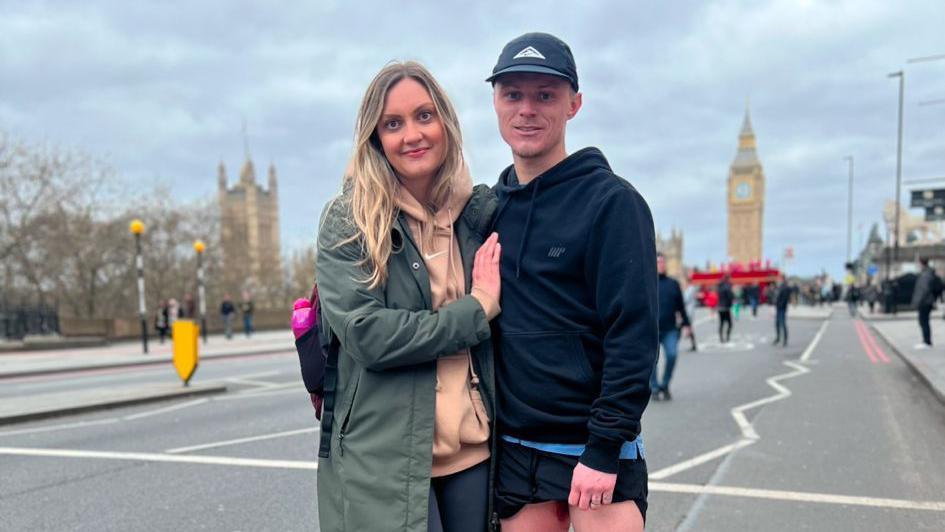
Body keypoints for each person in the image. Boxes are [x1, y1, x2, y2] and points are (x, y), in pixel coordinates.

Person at [315, 61, 501, 532]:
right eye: (393, 124)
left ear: (445, 122)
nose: (412, 134)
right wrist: (476, 308)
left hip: (472, 452)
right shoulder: (349, 220)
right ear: (375, 137)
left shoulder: (477, 215)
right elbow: (368, 335)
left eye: (424, 115)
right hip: (385, 460)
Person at [486, 33, 656, 532]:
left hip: (595, 448)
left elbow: (634, 337)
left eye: (545, 95)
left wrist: (604, 449)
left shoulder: (613, 204)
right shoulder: (489, 210)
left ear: (574, 104)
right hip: (517, 450)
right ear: (495, 102)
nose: (527, 110)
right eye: (513, 94)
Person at [650, 253, 691, 400]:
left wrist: (687, 325)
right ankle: (654, 387)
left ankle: (665, 385)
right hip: (651, 331)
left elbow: (681, 306)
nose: (661, 264)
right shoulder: (647, 283)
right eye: (658, 262)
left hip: (670, 329)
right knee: (651, 361)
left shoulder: (673, 284)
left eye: (662, 262)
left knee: (672, 355)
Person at [911, 257, 941, 349]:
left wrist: (917, 301)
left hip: (925, 301)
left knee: (924, 321)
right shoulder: (928, 273)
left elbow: (923, 290)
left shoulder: (925, 274)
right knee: (924, 321)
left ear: (921, 263)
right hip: (927, 301)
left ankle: (927, 342)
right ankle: (926, 341)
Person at [773, 275, 791, 347]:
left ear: (782, 279)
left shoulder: (785, 287)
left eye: (779, 279)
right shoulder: (779, 287)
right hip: (778, 308)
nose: (778, 280)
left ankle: (785, 340)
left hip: (782, 308)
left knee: (782, 324)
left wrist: (779, 305)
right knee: (777, 323)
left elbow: (785, 298)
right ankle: (778, 338)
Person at [717, 275, 734, 343]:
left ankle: (721, 338)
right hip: (726, 307)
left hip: (720, 307)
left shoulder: (719, 286)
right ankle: (727, 337)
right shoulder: (727, 287)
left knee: (721, 323)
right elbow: (730, 296)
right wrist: (731, 303)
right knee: (730, 324)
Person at [683, 278, 699, 352]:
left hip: (688, 311)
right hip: (689, 310)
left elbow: (686, 299)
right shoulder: (691, 289)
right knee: (689, 327)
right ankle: (693, 344)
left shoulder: (690, 289)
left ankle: (693, 344)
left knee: (687, 326)